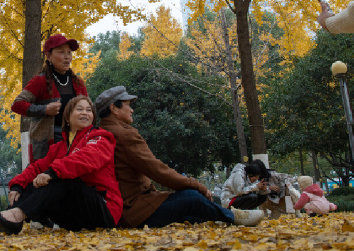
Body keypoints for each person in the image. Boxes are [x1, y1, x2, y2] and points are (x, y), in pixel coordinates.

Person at [96, 86, 264, 227]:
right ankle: (233, 217)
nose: (132, 109)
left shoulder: (102, 132)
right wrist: (196, 185)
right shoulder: (123, 135)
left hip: (125, 207)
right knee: (192, 198)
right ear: (114, 108)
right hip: (133, 209)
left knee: (194, 216)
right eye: (127, 105)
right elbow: (157, 170)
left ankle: (225, 215)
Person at [0, 96, 122, 234]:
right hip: (74, 216)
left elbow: (86, 158)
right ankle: (9, 222)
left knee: (62, 178)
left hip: (103, 209)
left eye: (89, 110)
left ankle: (17, 215)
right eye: (79, 109)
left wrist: (52, 173)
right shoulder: (59, 147)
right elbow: (36, 167)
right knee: (32, 182)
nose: (85, 113)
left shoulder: (100, 137)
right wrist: (17, 185)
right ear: (67, 117)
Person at [12, 34, 88, 162]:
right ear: (48, 55)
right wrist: (44, 109)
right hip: (46, 147)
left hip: (75, 142)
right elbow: (17, 104)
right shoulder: (40, 81)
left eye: (69, 52)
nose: (67, 57)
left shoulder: (78, 82)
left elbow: (88, 110)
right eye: (61, 52)